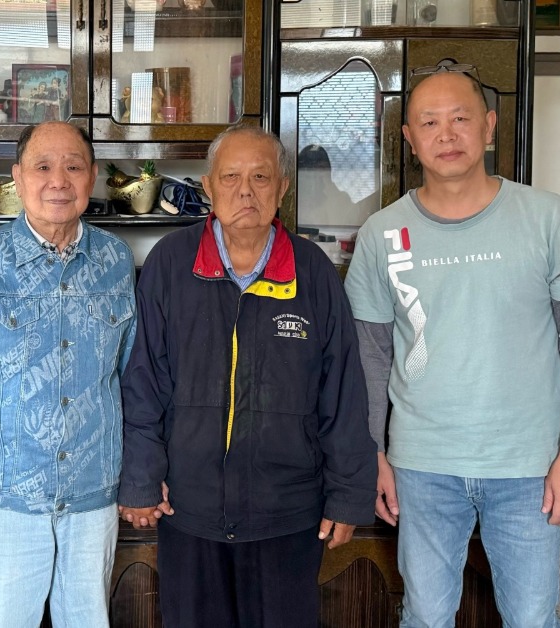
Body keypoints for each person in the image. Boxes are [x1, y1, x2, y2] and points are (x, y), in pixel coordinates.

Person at [343, 65, 560, 627]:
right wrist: (373, 453)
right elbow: (370, 355)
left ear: (489, 126)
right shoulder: (382, 233)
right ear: (409, 139)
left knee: (532, 618)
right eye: (429, 123)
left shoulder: (548, 217)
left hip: (530, 465)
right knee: (425, 616)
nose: (447, 134)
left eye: (461, 118)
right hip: (421, 464)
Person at [119, 125, 378, 627]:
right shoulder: (170, 263)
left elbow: (344, 392)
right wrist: (140, 479)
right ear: (208, 187)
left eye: (260, 177)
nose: (245, 192)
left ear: (282, 188)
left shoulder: (313, 271)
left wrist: (349, 494)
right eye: (230, 177)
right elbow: (142, 380)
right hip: (188, 509)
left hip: (287, 512)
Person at [0, 121, 137, 628]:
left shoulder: (115, 260)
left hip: (93, 497)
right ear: (17, 178)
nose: (58, 181)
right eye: (42, 167)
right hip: (3, 500)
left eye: (73, 167)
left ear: (92, 177)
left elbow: (131, 378)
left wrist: (142, 476)